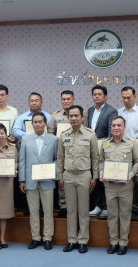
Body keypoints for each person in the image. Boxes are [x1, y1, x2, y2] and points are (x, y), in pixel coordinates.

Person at [58, 105, 99, 253]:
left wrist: (95, 177)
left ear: (82, 117)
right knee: (71, 210)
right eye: (71, 116)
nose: (74, 118)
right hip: (68, 175)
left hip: (84, 175)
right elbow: (60, 158)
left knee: (83, 210)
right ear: (68, 118)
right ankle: (72, 240)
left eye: (77, 116)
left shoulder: (90, 134)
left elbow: (95, 158)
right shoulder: (63, 135)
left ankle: (82, 241)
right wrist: (60, 176)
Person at [99, 116, 138, 255]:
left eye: (119, 125)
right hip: (110, 185)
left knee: (124, 214)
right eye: (114, 125)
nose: (116, 128)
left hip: (126, 185)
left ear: (124, 128)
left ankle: (123, 243)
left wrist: (131, 174)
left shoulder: (132, 143)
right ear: (111, 128)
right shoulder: (105, 144)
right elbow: (100, 161)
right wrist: (101, 173)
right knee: (111, 214)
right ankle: (113, 242)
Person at [19, 112, 58, 250]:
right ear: (32, 124)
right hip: (30, 181)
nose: (37, 124)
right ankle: (36, 238)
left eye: (40, 122)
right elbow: (22, 161)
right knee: (33, 211)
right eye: (35, 122)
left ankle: (48, 238)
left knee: (48, 211)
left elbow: (56, 159)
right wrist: (22, 180)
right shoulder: (26, 139)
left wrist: (54, 173)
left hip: (47, 180)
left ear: (45, 123)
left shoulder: (54, 139)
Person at [48, 90, 87, 217]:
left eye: (68, 99)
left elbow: (85, 131)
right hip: (61, 150)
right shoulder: (55, 116)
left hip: (78, 151)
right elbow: (51, 135)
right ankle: (63, 206)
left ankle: (76, 207)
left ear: (73, 100)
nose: (66, 101)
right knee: (62, 179)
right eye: (63, 99)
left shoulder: (81, 114)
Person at [88, 85, 118, 218]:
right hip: (92, 151)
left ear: (105, 96)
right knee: (96, 177)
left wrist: (101, 142)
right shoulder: (89, 111)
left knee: (105, 179)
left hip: (106, 150)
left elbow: (112, 133)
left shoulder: (112, 111)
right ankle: (98, 206)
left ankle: (106, 207)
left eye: (100, 94)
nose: (97, 96)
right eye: (95, 94)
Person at [117, 86, 138, 217]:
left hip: (137, 150)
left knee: (137, 180)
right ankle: (125, 207)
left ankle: (137, 207)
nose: (126, 100)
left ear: (135, 96)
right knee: (122, 179)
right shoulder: (118, 113)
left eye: (129, 97)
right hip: (120, 150)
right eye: (124, 97)